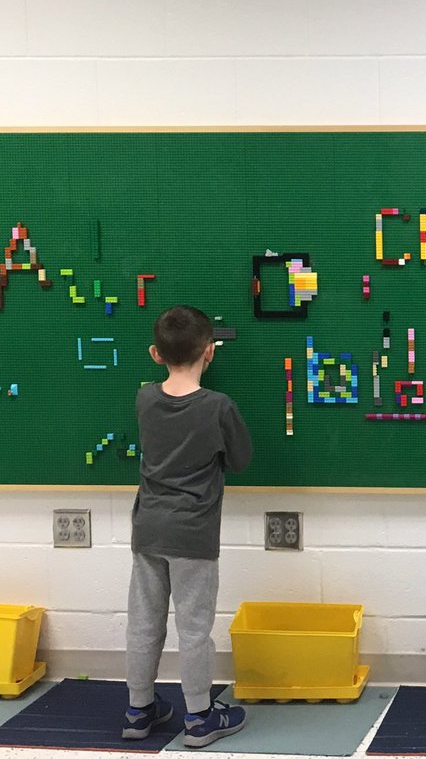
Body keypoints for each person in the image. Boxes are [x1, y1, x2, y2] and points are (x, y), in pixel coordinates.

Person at [122, 306, 253, 747]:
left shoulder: (144, 399)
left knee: (143, 622)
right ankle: (199, 716)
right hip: (193, 534)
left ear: (155, 354)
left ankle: (138, 709)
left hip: (148, 529)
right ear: (210, 352)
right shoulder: (218, 407)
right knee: (194, 628)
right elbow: (240, 460)